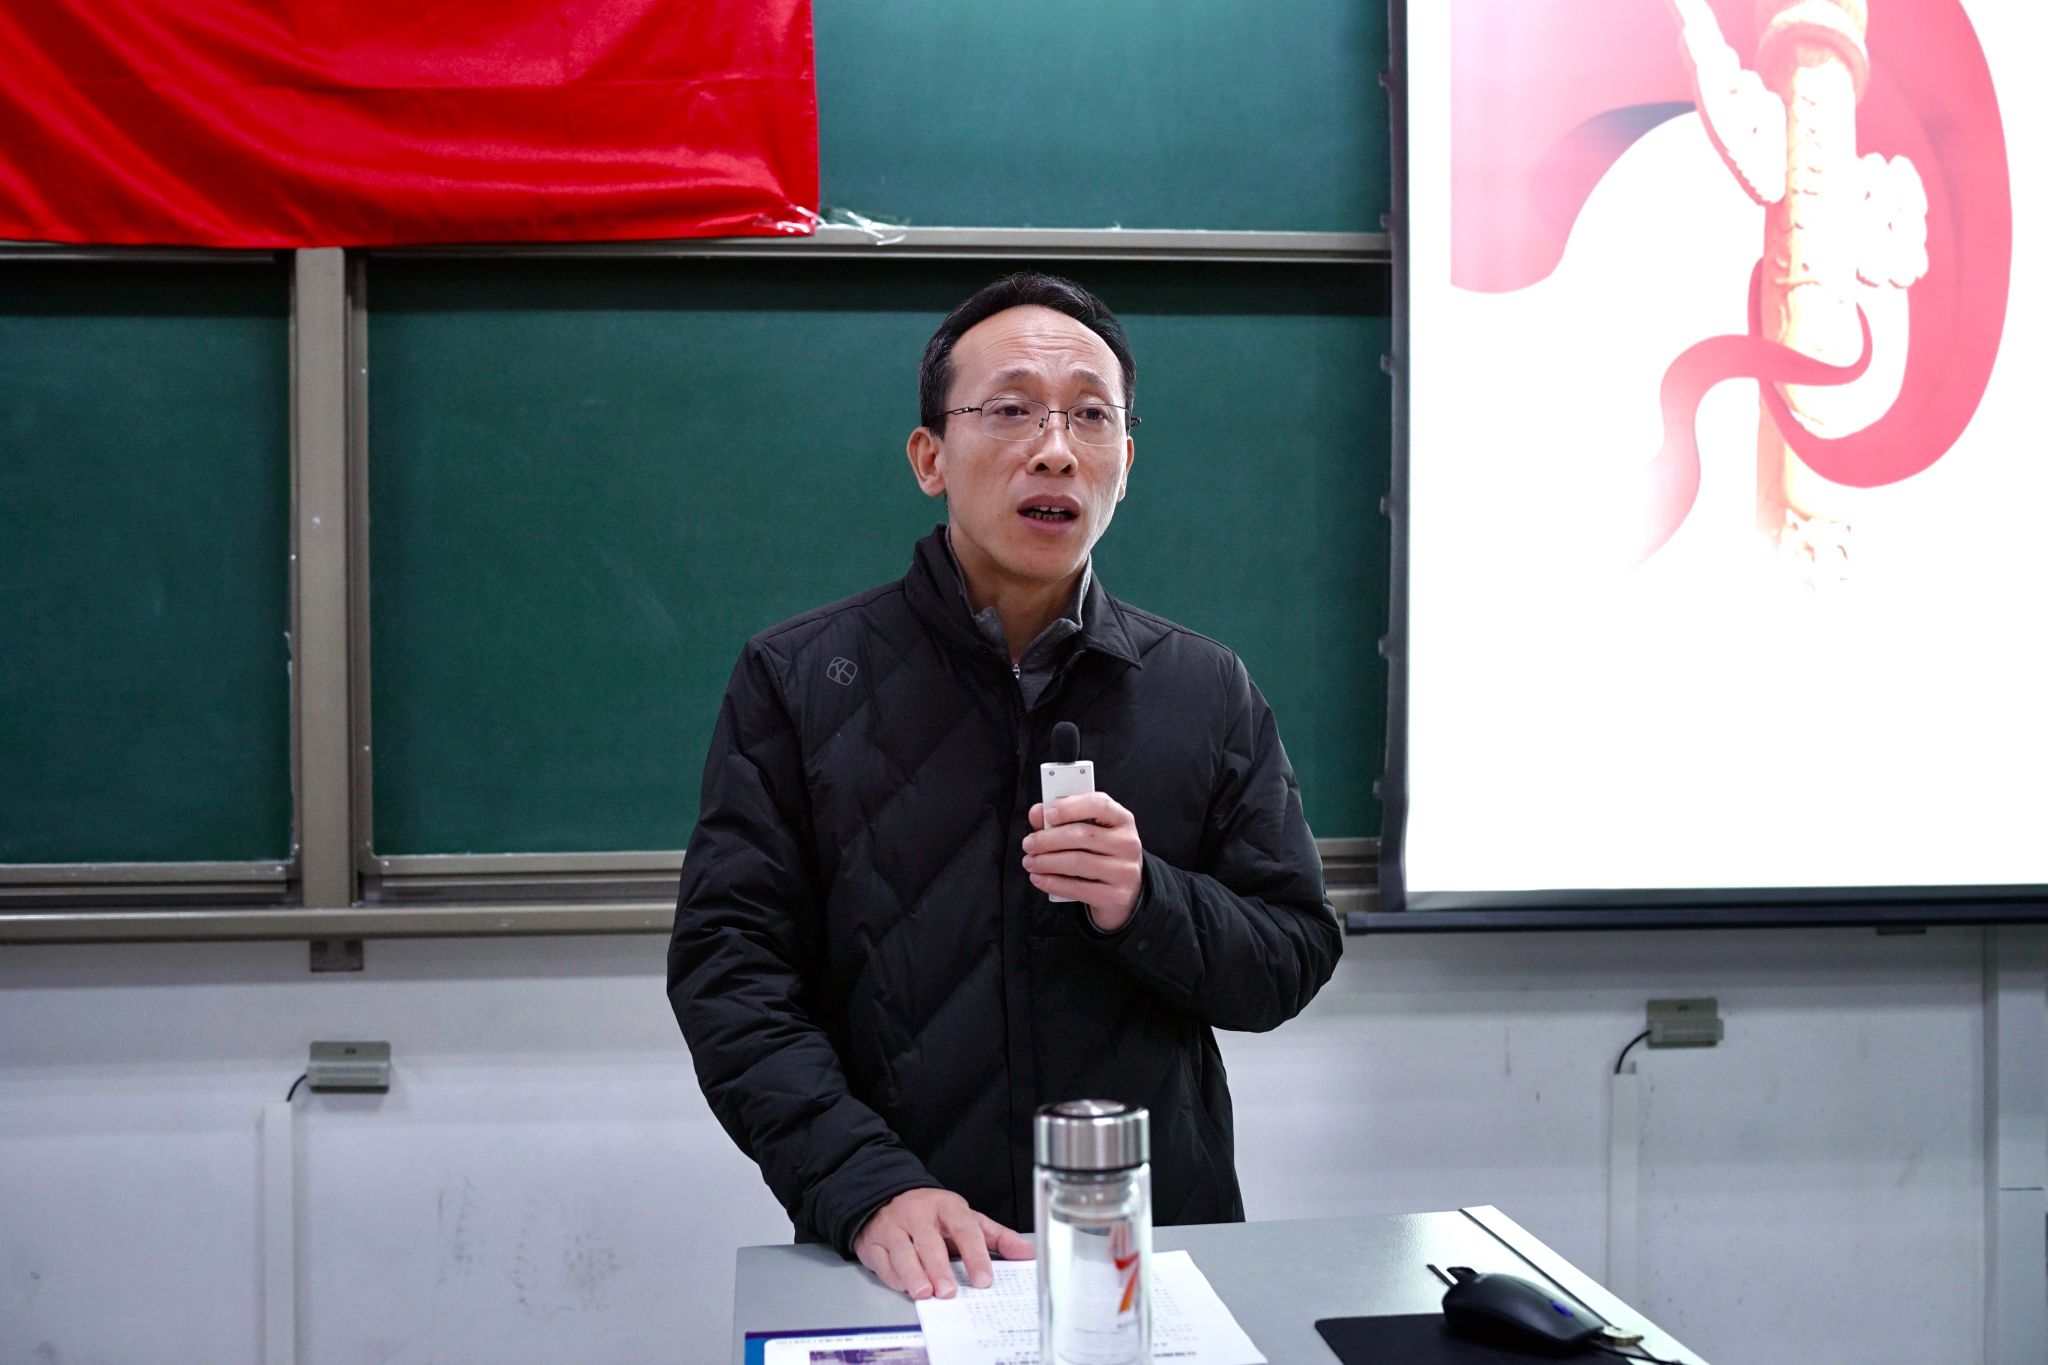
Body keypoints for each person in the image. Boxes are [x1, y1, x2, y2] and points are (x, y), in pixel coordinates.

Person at [667, 272, 1340, 1302]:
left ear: (1125, 462)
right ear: (928, 457)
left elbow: (1289, 955)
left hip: (1147, 1252)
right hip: (910, 1254)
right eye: (1012, 409)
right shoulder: (800, 681)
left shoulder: (1205, 688)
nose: (1056, 449)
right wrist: (865, 1184)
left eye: (1090, 416)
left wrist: (1147, 900)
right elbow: (731, 974)